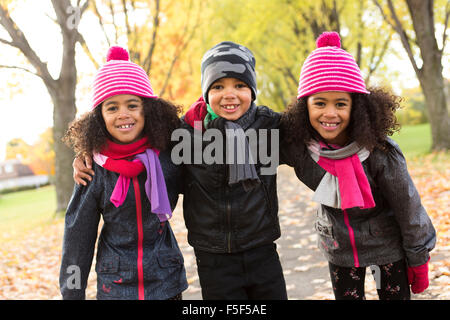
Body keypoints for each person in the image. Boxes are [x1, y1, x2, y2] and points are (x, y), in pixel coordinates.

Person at [74, 41, 287, 300]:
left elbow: (310, 138)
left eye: (240, 85)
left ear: (253, 90)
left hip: (261, 250)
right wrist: (88, 152)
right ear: (206, 92)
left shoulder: (271, 127)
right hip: (212, 257)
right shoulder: (186, 135)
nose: (229, 94)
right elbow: (139, 137)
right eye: (218, 86)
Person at [280, 31, 436, 300]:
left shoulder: (378, 153)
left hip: (386, 249)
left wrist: (418, 257)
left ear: (358, 107)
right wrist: (217, 116)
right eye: (319, 103)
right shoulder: (301, 149)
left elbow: (408, 206)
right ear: (304, 107)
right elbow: (257, 135)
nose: (330, 113)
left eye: (341, 103)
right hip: (339, 250)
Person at [59, 46, 188, 300]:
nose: (123, 115)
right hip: (116, 286)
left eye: (132, 105)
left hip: (166, 281)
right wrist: (72, 294)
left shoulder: (169, 153)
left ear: (148, 109)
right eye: (112, 108)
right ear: (99, 117)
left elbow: (208, 170)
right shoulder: (93, 168)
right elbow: (78, 237)